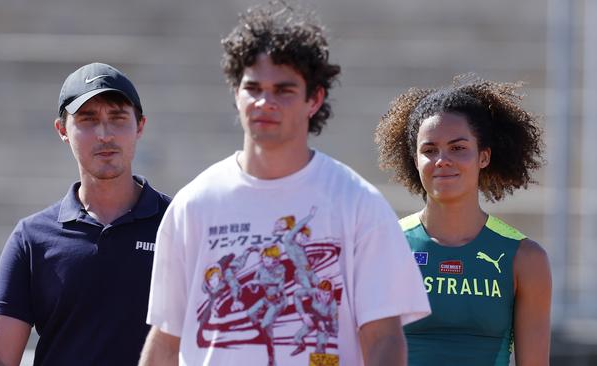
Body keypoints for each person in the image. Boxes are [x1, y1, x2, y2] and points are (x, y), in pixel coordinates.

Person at [139, 3, 430, 366]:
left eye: (284, 90)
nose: (265, 102)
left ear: (314, 99)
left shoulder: (358, 203)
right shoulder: (193, 204)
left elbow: (384, 338)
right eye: (253, 87)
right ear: (236, 93)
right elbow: (165, 339)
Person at [0, 62, 171, 366]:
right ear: (62, 130)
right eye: (88, 119)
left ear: (140, 125)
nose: (105, 134)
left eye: (117, 118)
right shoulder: (32, 237)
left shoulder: (179, 222)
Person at [374, 74, 552, 366]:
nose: (442, 160)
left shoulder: (525, 258)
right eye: (429, 150)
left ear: (484, 157)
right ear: (415, 159)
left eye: (458, 148)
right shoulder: (385, 246)